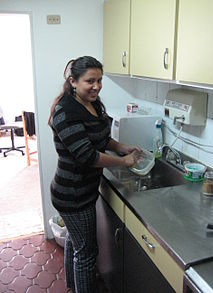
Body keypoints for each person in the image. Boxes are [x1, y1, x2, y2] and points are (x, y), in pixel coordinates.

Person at [48, 56, 141, 293]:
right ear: (73, 81)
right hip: (72, 195)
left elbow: (101, 138)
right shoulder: (65, 111)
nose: (97, 86)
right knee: (87, 254)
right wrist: (123, 161)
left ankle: (72, 284)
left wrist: (122, 147)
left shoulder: (94, 103)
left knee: (75, 242)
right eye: (90, 81)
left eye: (99, 80)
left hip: (83, 190)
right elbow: (88, 156)